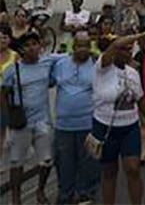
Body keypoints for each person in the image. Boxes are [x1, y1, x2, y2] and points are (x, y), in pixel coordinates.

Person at [92, 31, 145, 205]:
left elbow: (140, 99)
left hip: (129, 127)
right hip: (105, 127)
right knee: (110, 171)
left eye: (130, 50)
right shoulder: (102, 68)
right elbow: (114, 44)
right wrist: (143, 34)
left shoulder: (133, 72)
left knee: (133, 169)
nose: (128, 53)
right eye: (124, 49)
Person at [1, 32, 62, 205]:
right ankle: (15, 198)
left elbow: (66, 59)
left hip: (43, 121)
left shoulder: (47, 62)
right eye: (27, 45)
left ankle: (40, 190)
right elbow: (3, 94)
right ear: (21, 49)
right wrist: (8, 120)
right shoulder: (12, 70)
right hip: (21, 123)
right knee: (17, 162)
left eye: (35, 43)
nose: (32, 47)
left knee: (46, 160)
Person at [51, 32, 100, 204]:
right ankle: (65, 195)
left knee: (88, 163)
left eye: (86, 45)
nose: (83, 49)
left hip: (87, 123)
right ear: (73, 47)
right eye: (79, 45)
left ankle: (86, 195)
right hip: (63, 126)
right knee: (64, 164)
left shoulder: (96, 63)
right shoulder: (60, 64)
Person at [1, 24, 20, 167]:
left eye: (5, 37)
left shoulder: (15, 55)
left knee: (8, 128)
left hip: (9, 97)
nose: (2, 39)